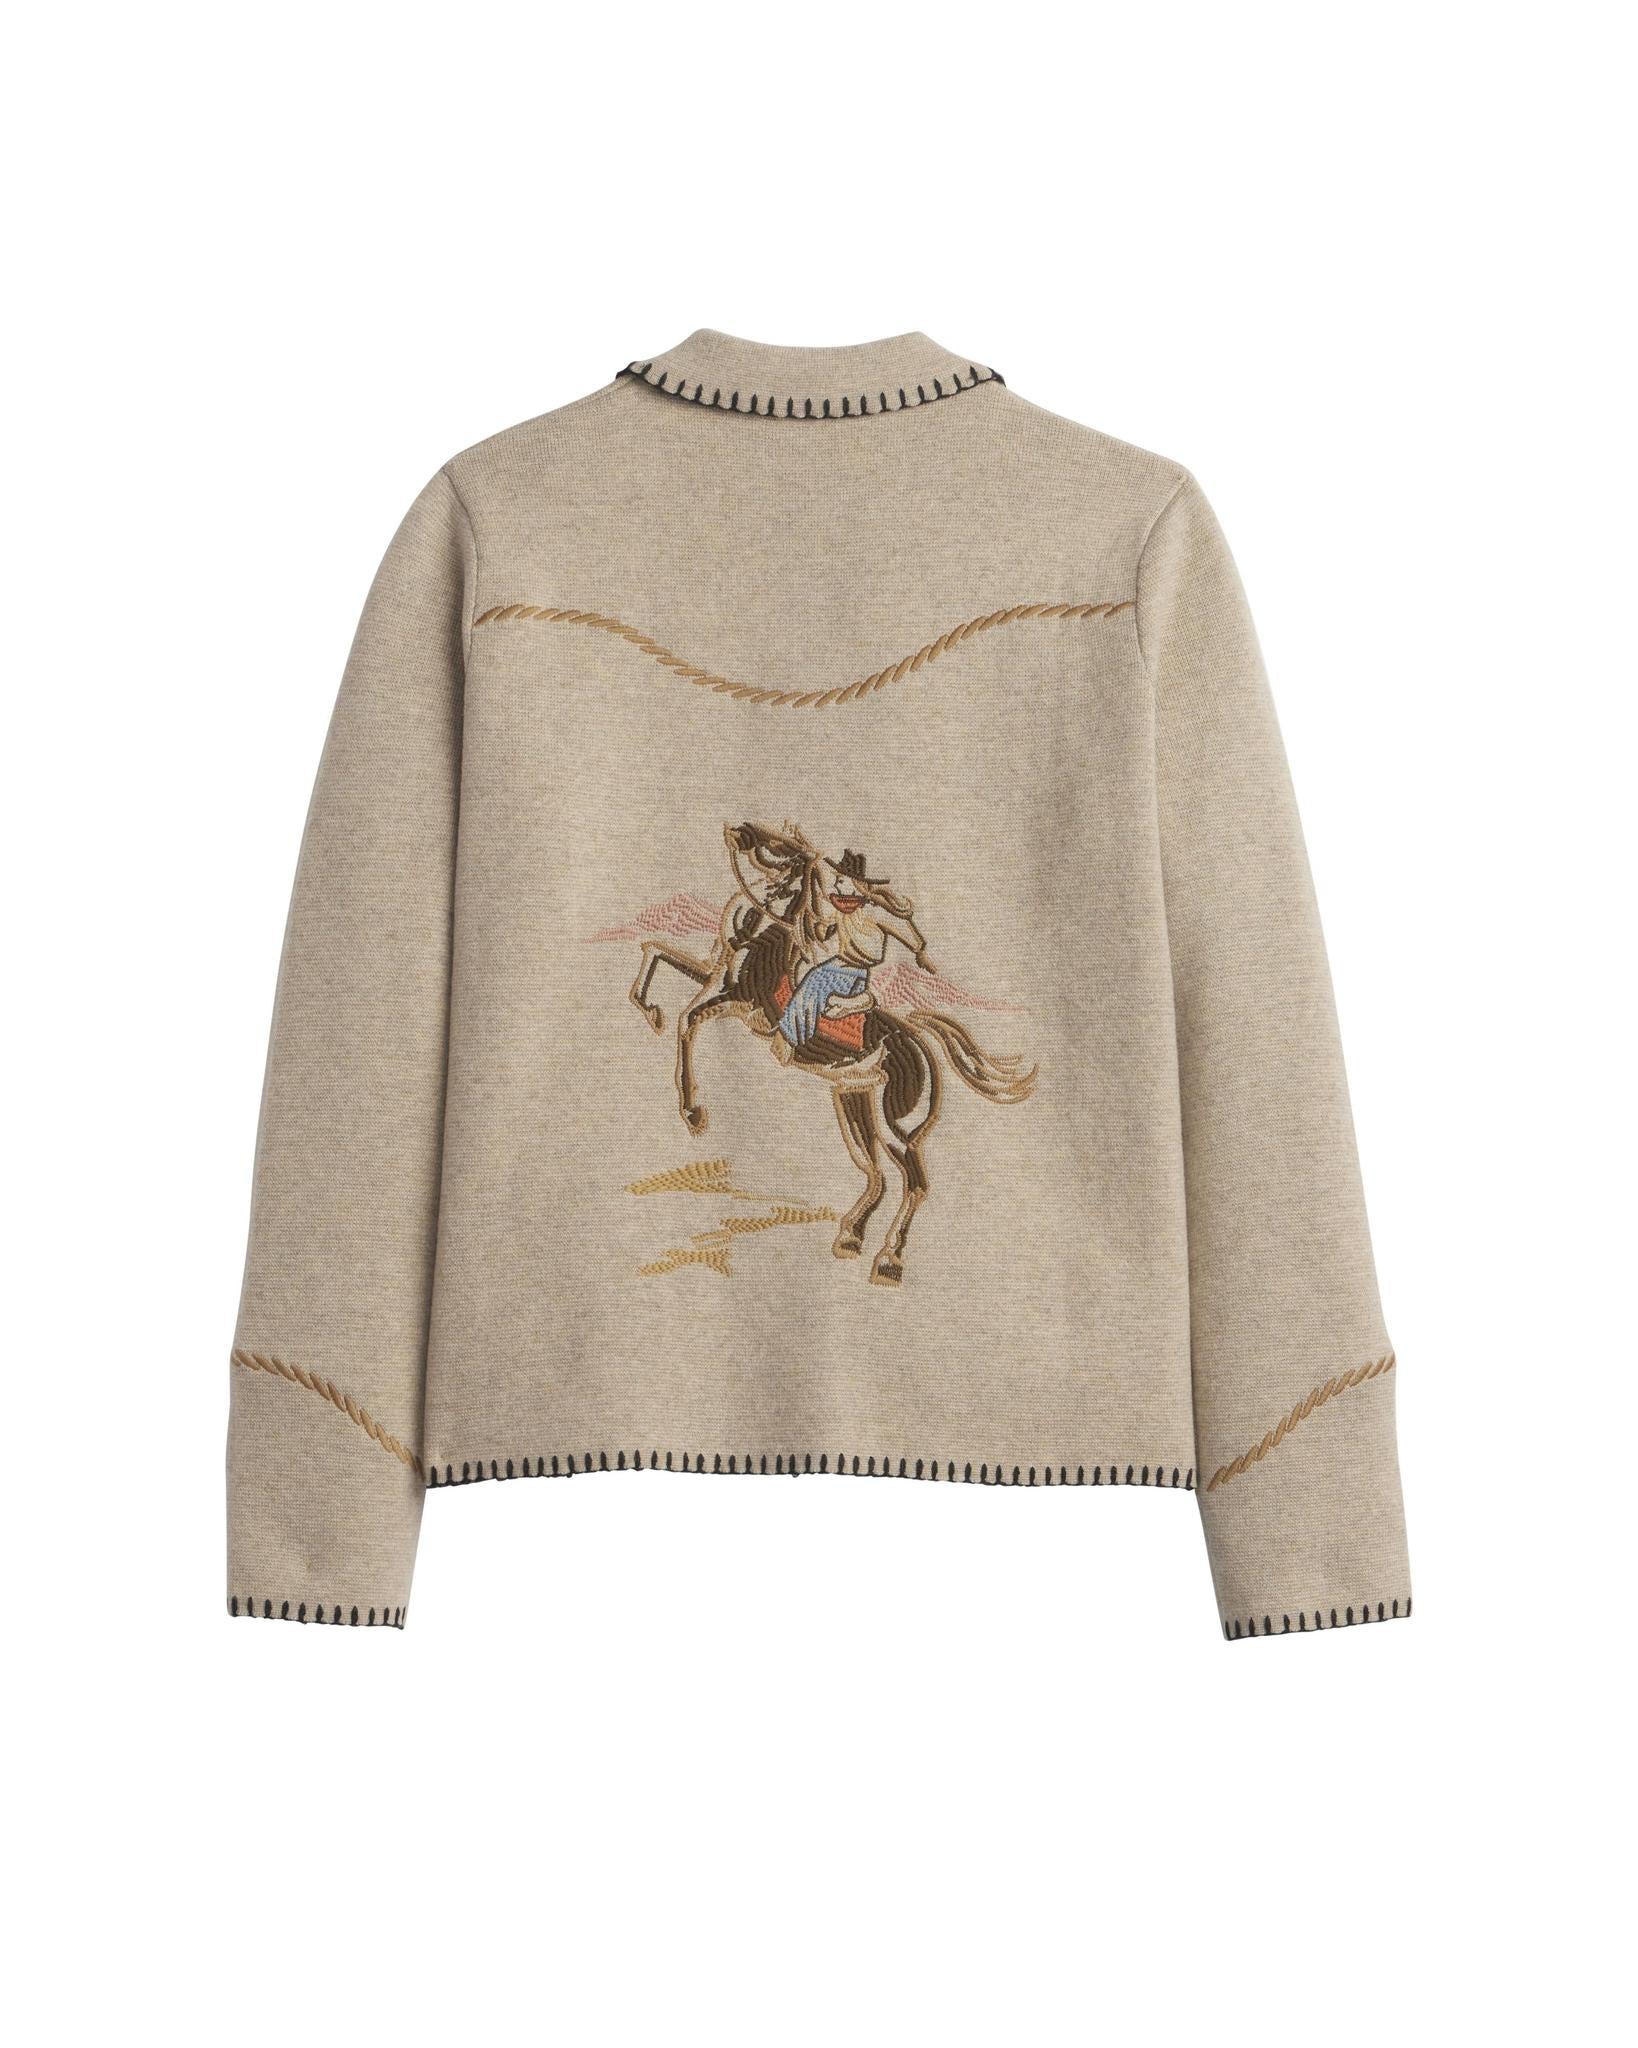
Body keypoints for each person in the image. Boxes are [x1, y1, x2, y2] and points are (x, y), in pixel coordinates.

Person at [776, 850, 934, 1054]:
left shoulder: (875, 913)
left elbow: (910, 935)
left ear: (857, 884)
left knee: (815, 981)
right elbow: (822, 932)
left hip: (857, 973)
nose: (835, 886)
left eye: (840, 881)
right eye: (836, 880)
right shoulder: (843, 911)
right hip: (839, 965)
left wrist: (920, 953)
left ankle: (788, 1039)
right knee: (812, 974)